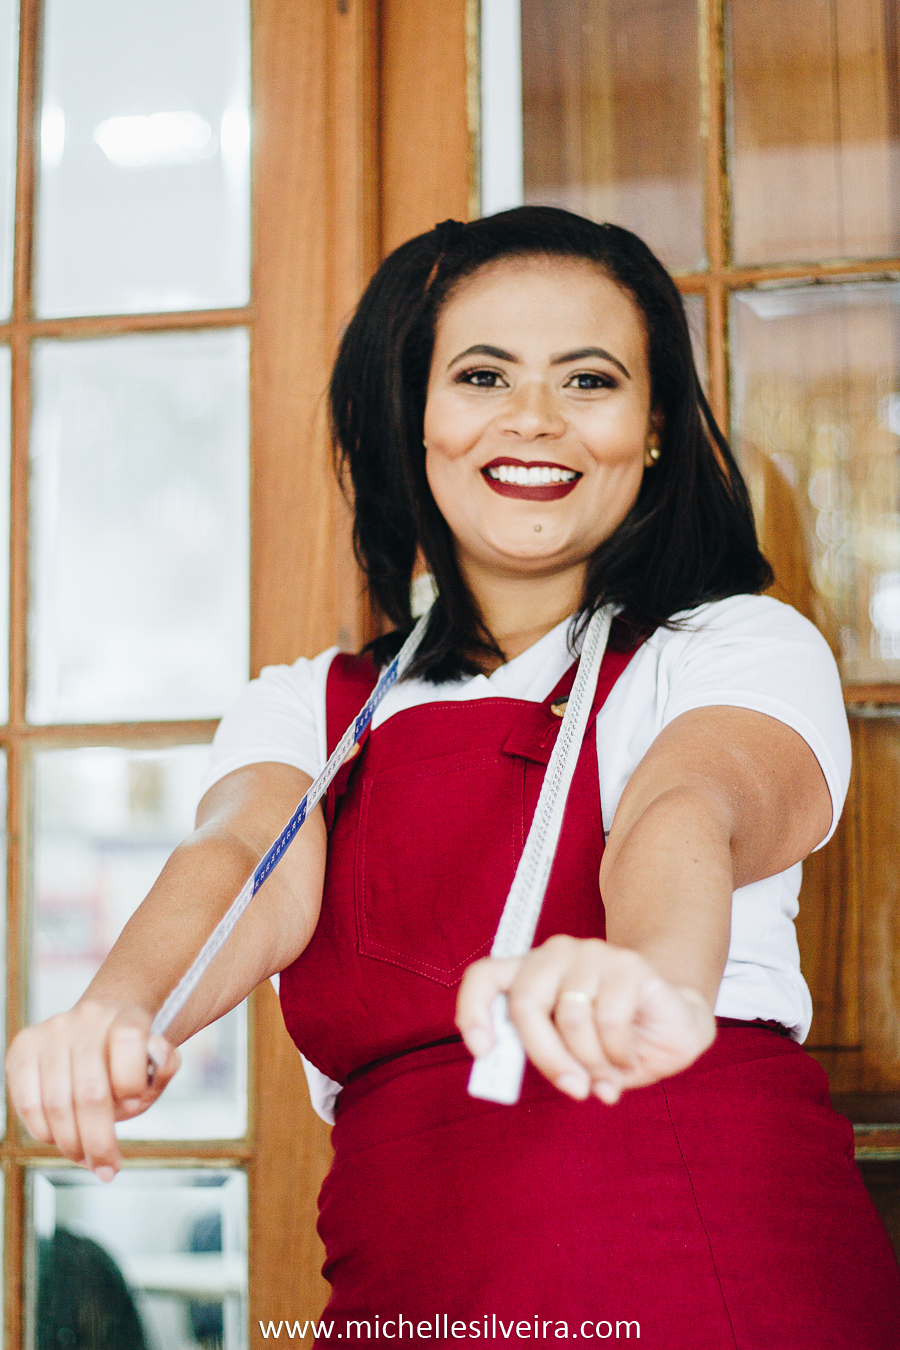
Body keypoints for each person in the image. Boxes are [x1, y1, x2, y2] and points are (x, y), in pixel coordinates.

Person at [8, 207, 900, 1347]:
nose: (535, 418)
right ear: (414, 418)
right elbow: (243, 859)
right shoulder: (309, 706)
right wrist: (120, 1008)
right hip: (405, 1293)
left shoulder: (733, 647)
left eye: (590, 381)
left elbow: (690, 810)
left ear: (657, 425)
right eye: (483, 375)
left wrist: (654, 978)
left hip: (713, 1265)